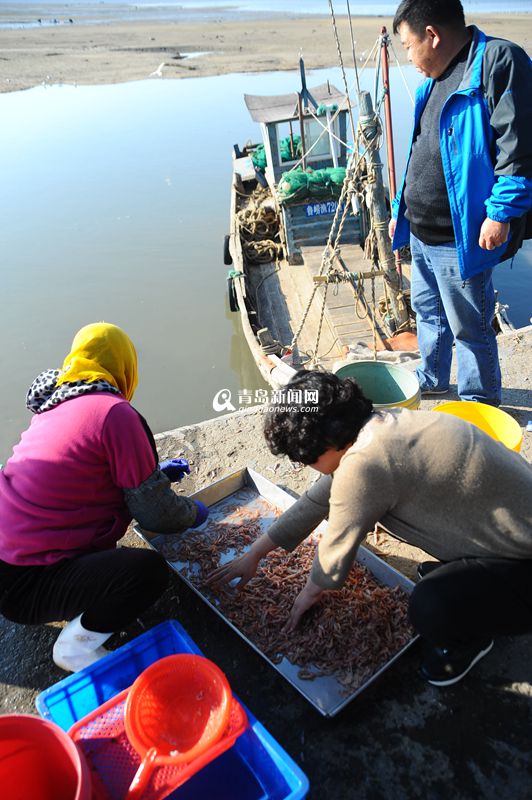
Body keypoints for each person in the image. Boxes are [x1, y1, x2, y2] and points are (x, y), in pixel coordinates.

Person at [209, 370, 532, 687]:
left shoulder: (364, 466)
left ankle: (469, 641)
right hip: (511, 529)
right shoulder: (381, 427)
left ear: (327, 446)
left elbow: (335, 548)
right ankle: (473, 577)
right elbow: (316, 500)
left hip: (525, 564)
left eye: (306, 459)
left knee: (430, 607)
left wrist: (309, 593)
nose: (307, 467)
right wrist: (254, 554)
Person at [0, 323, 208, 672]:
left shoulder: (56, 403)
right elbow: (157, 515)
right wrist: (194, 512)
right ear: (125, 368)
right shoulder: (114, 412)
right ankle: (75, 648)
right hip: (27, 588)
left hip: (9, 563)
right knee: (146, 573)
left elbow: (82, 476)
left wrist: (155, 476)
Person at [388, 0, 532, 406]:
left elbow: (519, 146)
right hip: (421, 232)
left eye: (408, 45)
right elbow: (422, 152)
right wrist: (401, 209)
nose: (409, 55)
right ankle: (431, 377)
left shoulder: (498, 61)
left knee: (470, 326)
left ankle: (478, 401)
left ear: (431, 35)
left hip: (460, 235)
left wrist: (501, 212)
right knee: (428, 313)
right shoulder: (431, 80)